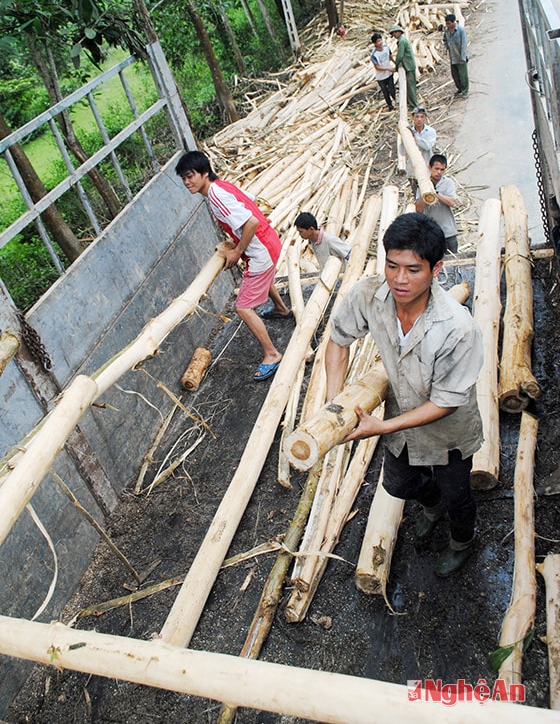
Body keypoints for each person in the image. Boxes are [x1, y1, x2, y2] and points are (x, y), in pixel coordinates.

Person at [325, 213, 483, 578]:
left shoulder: (457, 328)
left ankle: (462, 541)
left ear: (437, 268)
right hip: (400, 414)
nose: (399, 279)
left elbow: (446, 402)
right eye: (392, 265)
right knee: (399, 483)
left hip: (449, 428)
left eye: (413, 270)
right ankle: (431, 507)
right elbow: (338, 339)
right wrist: (336, 404)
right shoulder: (369, 294)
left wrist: (381, 427)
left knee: (459, 495)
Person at [175, 150, 292, 383]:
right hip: (269, 242)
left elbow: (251, 221)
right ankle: (281, 309)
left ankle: (272, 354)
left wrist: (238, 251)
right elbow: (251, 201)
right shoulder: (222, 186)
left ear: (205, 172)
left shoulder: (216, 197)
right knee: (264, 281)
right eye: (184, 178)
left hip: (262, 252)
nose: (187, 182)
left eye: (191, 176)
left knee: (243, 307)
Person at [415, 154, 459, 253]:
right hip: (430, 232)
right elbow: (418, 208)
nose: (439, 172)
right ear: (430, 168)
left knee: (452, 260)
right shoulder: (423, 183)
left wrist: (436, 193)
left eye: (442, 170)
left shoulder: (448, 183)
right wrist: (425, 192)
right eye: (437, 169)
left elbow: (452, 202)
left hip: (448, 232)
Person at [389, 25, 417, 111]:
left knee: (411, 86)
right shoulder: (402, 40)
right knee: (410, 86)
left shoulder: (401, 41)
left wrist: (396, 66)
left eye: (394, 33)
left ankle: (413, 106)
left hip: (409, 65)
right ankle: (411, 103)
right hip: (408, 64)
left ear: (398, 32)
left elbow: (400, 55)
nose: (394, 35)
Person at [443, 13, 469, 98]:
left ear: (454, 22)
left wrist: (463, 57)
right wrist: (445, 48)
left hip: (460, 56)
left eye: (449, 23)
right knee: (455, 75)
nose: (448, 25)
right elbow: (445, 41)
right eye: (447, 24)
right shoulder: (446, 32)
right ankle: (460, 88)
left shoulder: (460, 31)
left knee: (463, 75)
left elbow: (464, 44)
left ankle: (465, 91)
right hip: (453, 57)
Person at [370, 32, 396, 111]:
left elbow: (390, 57)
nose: (380, 42)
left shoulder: (386, 48)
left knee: (392, 89)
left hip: (389, 73)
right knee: (385, 92)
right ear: (374, 43)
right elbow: (377, 67)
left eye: (381, 40)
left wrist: (395, 64)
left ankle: (395, 100)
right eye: (378, 41)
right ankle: (390, 106)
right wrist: (388, 69)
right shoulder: (374, 55)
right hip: (381, 77)